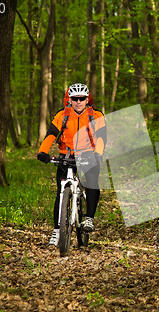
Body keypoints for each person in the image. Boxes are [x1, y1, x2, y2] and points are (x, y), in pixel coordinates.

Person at [37, 83, 106, 246]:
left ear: (87, 99)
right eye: (75, 99)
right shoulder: (62, 115)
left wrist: (99, 154)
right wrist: (43, 151)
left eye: (82, 98)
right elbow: (51, 134)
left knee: (92, 182)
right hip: (67, 155)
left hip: (89, 154)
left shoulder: (96, 115)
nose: (79, 101)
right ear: (70, 100)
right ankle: (56, 231)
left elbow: (102, 137)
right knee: (61, 192)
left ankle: (89, 219)